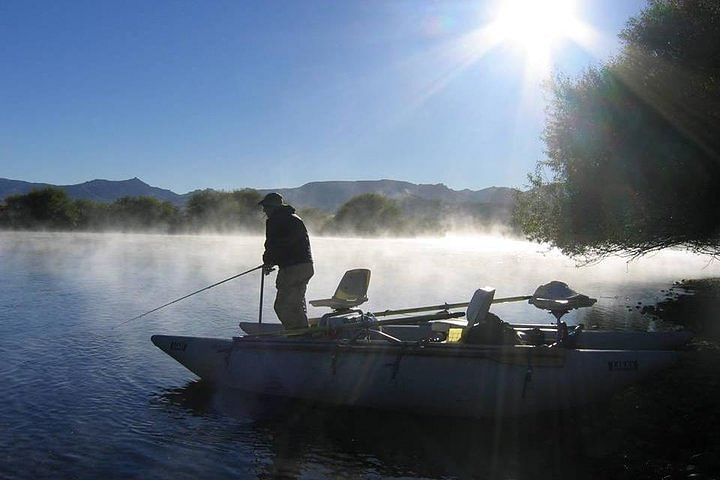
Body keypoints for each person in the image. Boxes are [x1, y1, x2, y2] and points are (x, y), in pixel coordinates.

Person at [259, 192, 314, 330]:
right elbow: (289, 243)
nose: (264, 210)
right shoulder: (295, 218)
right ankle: (303, 332)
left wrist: (268, 262)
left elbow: (273, 245)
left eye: (265, 207)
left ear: (272, 207)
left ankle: (298, 337)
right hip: (306, 266)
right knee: (296, 304)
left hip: (292, 269)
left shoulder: (275, 220)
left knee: (282, 307)